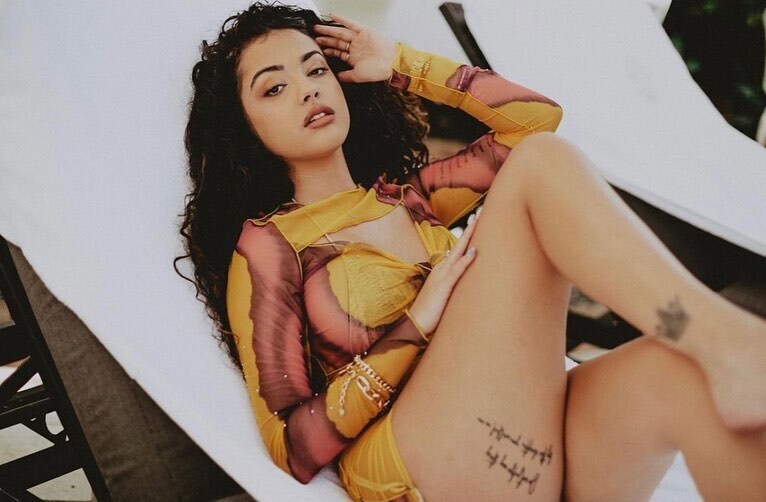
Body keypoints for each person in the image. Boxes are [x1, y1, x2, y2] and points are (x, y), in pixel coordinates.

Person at [177, 3, 766, 500]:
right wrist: (415, 324)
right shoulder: (269, 245)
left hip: (509, 443)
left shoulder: (413, 201)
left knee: (681, 374)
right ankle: (733, 343)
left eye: (317, 69)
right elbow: (292, 445)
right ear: (244, 130)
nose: (308, 88)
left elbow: (534, 121)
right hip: (416, 465)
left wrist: (400, 61)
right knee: (537, 167)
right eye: (275, 88)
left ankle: (719, 350)